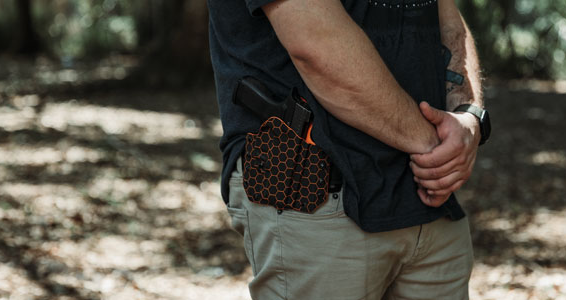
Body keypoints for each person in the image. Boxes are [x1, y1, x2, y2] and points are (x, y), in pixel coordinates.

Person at [207, 0, 489, 297]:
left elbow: (446, 12)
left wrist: (468, 114)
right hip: (313, 195)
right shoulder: (431, 149)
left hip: (428, 204)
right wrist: (437, 146)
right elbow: (314, 43)